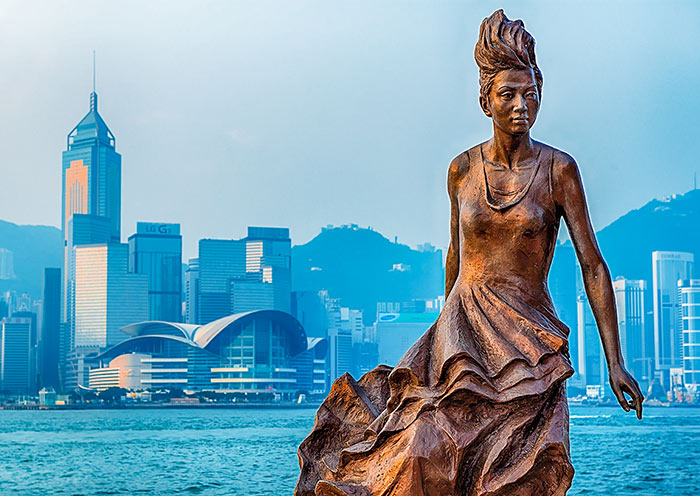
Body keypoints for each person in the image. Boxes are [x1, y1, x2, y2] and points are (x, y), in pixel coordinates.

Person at [295, 10, 643, 496]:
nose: (521, 105)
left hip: (526, 342)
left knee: (522, 470)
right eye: (508, 94)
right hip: (461, 333)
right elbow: (455, 258)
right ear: (486, 100)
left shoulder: (559, 170)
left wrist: (615, 361)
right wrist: (442, 340)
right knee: (417, 449)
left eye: (530, 93)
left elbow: (593, 266)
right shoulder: (461, 170)